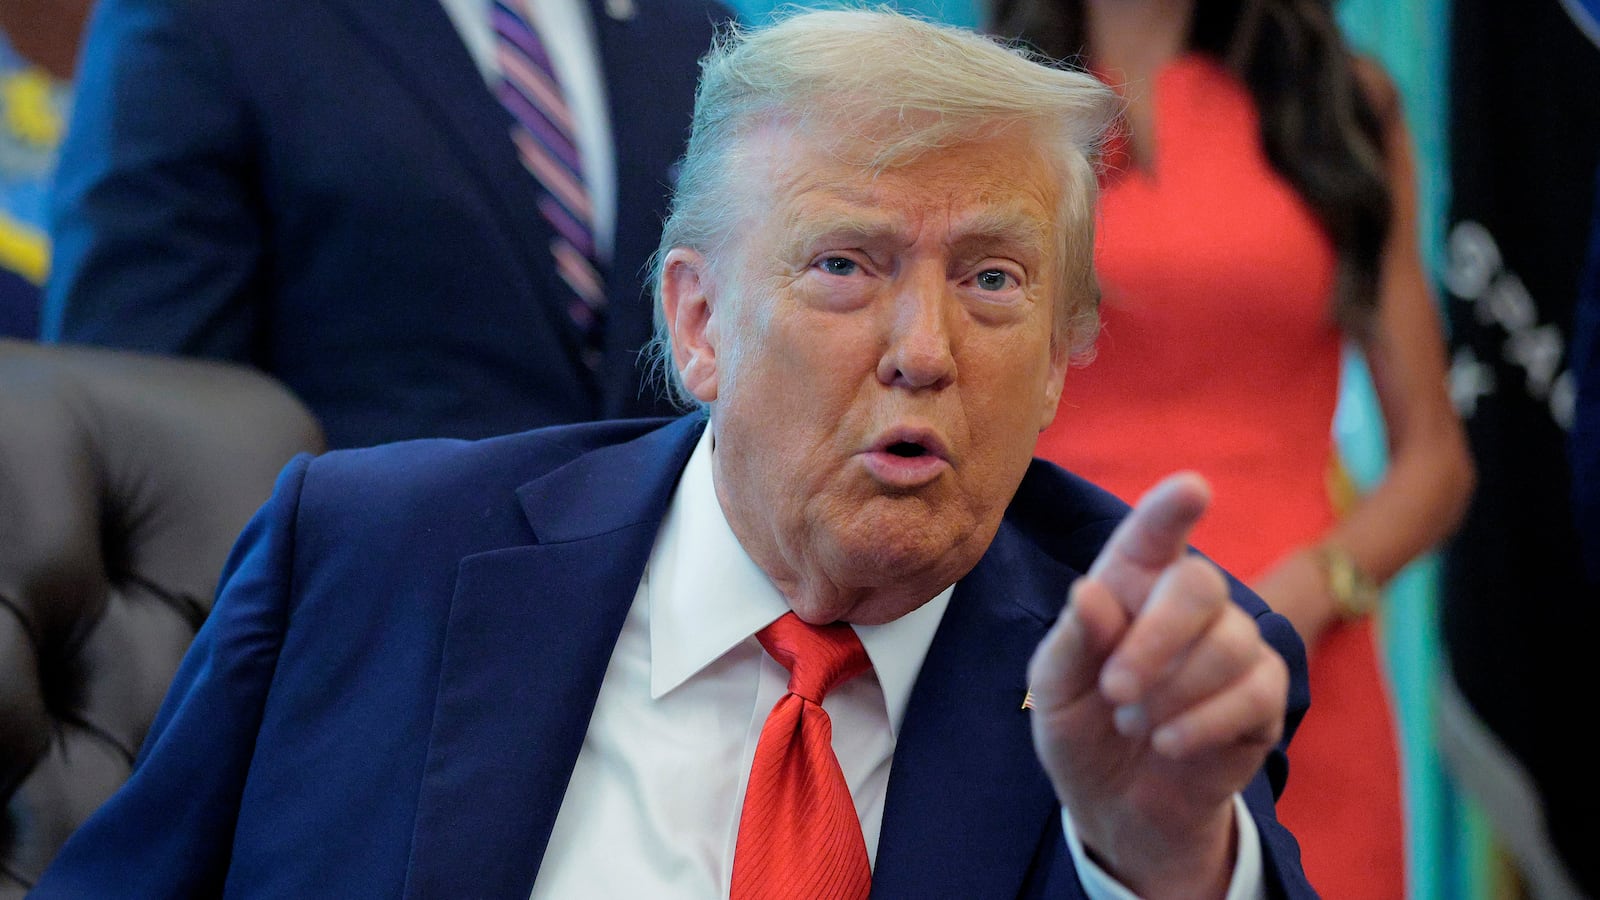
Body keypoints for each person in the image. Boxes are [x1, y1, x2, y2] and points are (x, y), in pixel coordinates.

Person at [33, 10, 1317, 898]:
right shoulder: (367, 559)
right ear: (696, 322)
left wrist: (1163, 867)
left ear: (1055, 360)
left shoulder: (1141, 682)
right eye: (843, 266)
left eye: (991, 280)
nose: (924, 347)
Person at [986, 0, 1475, 896]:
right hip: (1039, 660)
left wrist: (1306, 596)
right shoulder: (990, 102)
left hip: (1295, 677)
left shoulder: (1339, 107)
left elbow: (1436, 461)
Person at [40, 0, 729, 448]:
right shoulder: (206, 16)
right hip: (350, 623)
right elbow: (137, 400)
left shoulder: (692, 27)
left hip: (657, 629)